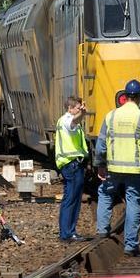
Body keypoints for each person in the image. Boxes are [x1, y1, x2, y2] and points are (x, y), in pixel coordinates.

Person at [94, 79, 140, 257]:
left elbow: (101, 143)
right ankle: (130, 246)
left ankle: (102, 230)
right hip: (135, 169)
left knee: (105, 193)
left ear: (124, 96)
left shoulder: (111, 116)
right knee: (133, 202)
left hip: (114, 167)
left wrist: (100, 164)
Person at [54, 96, 89, 243]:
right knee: (71, 199)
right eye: (77, 107)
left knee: (72, 198)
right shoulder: (67, 120)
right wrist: (82, 114)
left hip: (72, 164)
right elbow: (73, 122)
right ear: (70, 108)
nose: (78, 110)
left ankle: (67, 231)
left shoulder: (65, 121)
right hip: (71, 164)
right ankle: (68, 233)